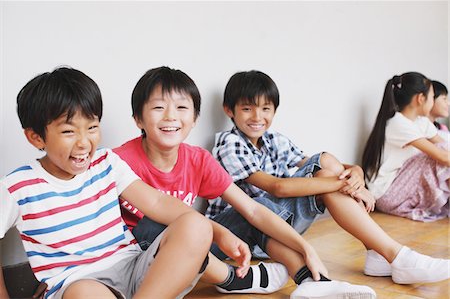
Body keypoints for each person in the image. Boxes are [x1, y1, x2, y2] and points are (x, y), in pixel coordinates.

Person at [113, 66, 377, 298]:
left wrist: (305, 248)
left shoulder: (197, 160)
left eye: (181, 108)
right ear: (138, 118)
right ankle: (231, 279)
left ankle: (311, 281)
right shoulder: (119, 162)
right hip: (141, 258)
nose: (171, 116)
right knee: (155, 224)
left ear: (194, 119)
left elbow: (252, 210)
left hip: (194, 246)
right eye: (159, 107)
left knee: (252, 210)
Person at [0, 66, 247, 299]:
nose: (84, 142)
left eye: (92, 127)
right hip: (79, 284)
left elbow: (158, 202)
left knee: (197, 224)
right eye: (68, 132)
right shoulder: (18, 186)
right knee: (83, 293)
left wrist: (220, 233)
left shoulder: (106, 162)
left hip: (136, 270)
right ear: (35, 137)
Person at [207, 70, 450, 286]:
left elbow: (314, 164)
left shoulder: (274, 140)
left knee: (324, 162)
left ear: (274, 110)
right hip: (245, 231)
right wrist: (348, 185)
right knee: (325, 168)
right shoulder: (230, 143)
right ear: (229, 110)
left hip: (280, 226)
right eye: (247, 108)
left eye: (265, 108)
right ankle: (393, 255)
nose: (257, 116)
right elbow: (277, 187)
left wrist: (354, 170)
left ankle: (382, 253)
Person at [362, 72, 450, 222]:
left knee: (442, 150)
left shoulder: (421, 122)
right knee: (432, 159)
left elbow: (444, 145)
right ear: (420, 99)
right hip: (387, 193)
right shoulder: (398, 123)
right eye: (431, 97)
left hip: (402, 186)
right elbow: (443, 157)